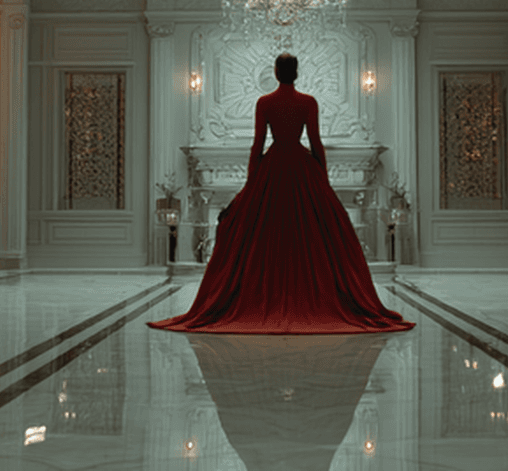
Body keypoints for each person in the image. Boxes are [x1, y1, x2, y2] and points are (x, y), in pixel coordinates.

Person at [149, 53, 413, 334]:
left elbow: (258, 144)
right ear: (296, 73)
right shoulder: (308, 102)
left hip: (272, 167)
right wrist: (322, 180)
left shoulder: (265, 103)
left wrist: (252, 183)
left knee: (264, 231)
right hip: (302, 167)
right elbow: (315, 142)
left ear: (276, 72)